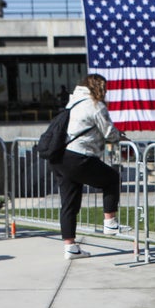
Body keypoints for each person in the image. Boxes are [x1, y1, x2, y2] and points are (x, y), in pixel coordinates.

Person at [50, 73, 127, 260]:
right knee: (111, 178)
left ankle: (70, 247)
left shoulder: (73, 101)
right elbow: (110, 133)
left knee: (68, 202)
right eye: (105, 89)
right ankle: (110, 221)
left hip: (60, 157)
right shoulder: (95, 105)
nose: (106, 92)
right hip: (79, 156)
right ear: (99, 87)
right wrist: (122, 136)